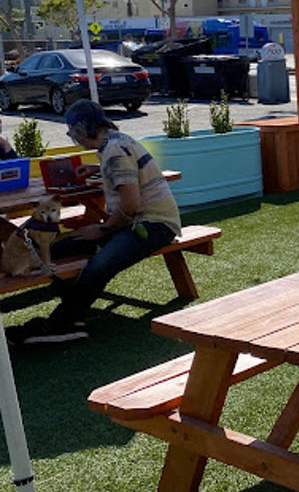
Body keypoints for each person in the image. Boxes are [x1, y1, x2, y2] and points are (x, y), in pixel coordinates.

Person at [6, 100, 180, 345]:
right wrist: (96, 170)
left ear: (80, 130)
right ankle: (70, 312)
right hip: (136, 222)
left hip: (154, 225)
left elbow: (130, 205)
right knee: (64, 247)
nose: (72, 138)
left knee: (98, 266)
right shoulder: (115, 142)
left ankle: (61, 324)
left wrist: (102, 229)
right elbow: (127, 178)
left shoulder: (115, 151)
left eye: (71, 133)